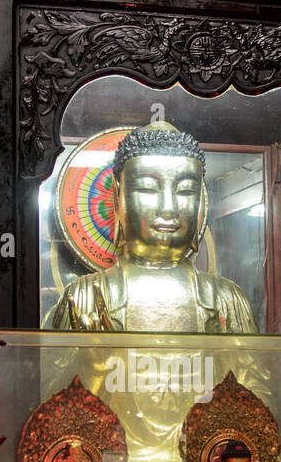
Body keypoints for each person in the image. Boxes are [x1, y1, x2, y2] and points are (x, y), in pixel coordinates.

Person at [49, 121, 258, 333]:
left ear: (201, 203)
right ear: (117, 198)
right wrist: (96, 358)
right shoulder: (84, 299)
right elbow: (56, 365)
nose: (168, 209)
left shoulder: (226, 299)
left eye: (185, 191)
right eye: (148, 188)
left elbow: (250, 365)